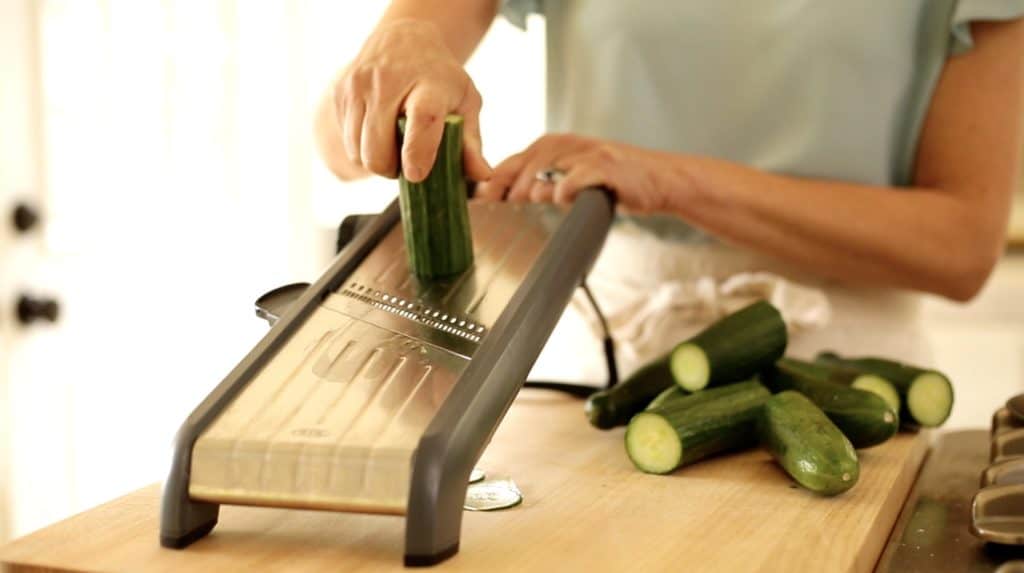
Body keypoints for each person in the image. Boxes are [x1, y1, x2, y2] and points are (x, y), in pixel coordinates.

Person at [314, 1, 1024, 385]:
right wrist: (396, 54)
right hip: (592, 363)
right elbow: (336, 139)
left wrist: (675, 180)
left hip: (845, 378)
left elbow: (960, 246)